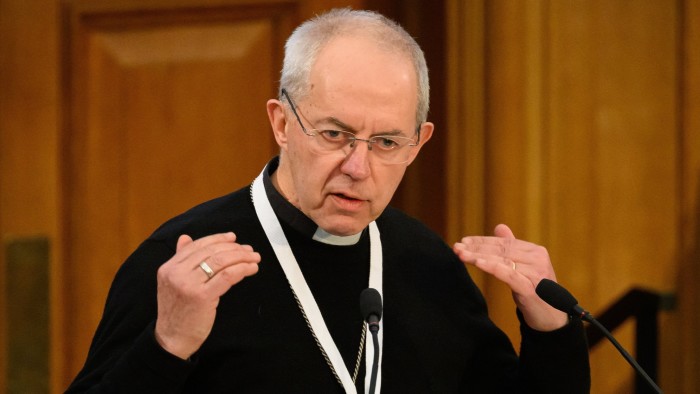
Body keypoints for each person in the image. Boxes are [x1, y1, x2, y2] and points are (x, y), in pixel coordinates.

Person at [66, 8, 590, 393]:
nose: (358, 168)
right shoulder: (185, 262)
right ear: (282, 123)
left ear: (419, 143)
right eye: (335, 134)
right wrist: (167, 345)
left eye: (387, 143)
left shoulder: (425, 263)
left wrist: (552, 330)